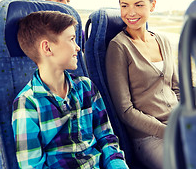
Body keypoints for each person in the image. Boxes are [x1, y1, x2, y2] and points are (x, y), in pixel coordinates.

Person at [12, 11, 128, 169]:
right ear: (47, 48)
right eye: (72, 39)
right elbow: (31, 166)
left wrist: (117, 165)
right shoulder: (28, 103)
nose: (78, 47)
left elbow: (107, 138)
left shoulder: (86, 87)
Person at [105, 0, 180, 169]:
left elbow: (176, 89)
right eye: (124, 5)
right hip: (149, 137)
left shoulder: (163, 40)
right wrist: (167, 131)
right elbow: (125, 111)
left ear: (152, 5)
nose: (131, 12)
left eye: (138, 5)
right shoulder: (119, 47)